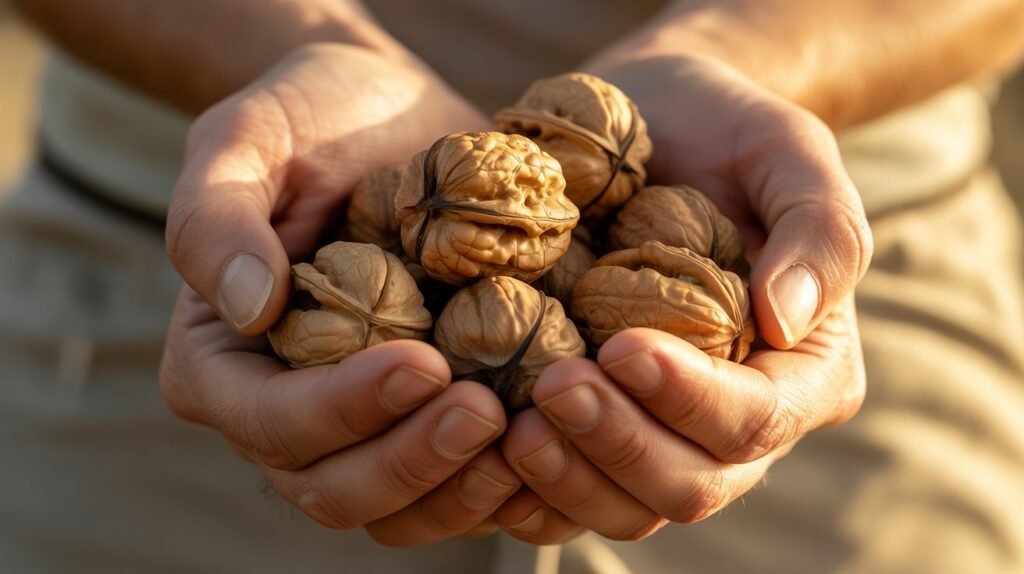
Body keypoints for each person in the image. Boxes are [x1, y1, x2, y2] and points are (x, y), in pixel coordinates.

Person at [2, 1, 1023, 572]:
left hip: (818, 253)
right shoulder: (379, 247)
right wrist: (292, 51)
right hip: (196, 250)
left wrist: (751, 52)